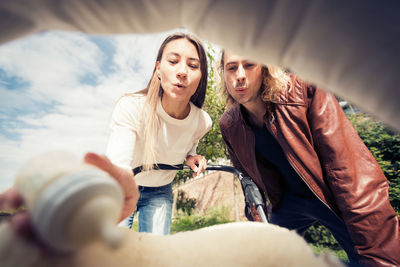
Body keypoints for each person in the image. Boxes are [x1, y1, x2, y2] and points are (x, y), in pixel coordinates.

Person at [218, 51, 400, 267]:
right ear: (224, 74)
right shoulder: (230, 124)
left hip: (330, 196)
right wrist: (260, 223)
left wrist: (379, 255)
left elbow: (351, 173)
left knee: (369, 258)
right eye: (231, 67)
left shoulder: (304, 92)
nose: (240, 75)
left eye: (249, 65)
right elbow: (249, 181)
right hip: (287, 203)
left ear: (264, 68)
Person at [105, 32, 211, 235]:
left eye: (193, 65)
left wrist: (191, 156)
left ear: (201, 76)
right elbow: (119, 163)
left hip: (160, 191)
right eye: (173, 61)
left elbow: (189, 144)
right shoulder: (132, 107)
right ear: (158, 69)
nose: (182, 72)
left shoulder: (202, 121)